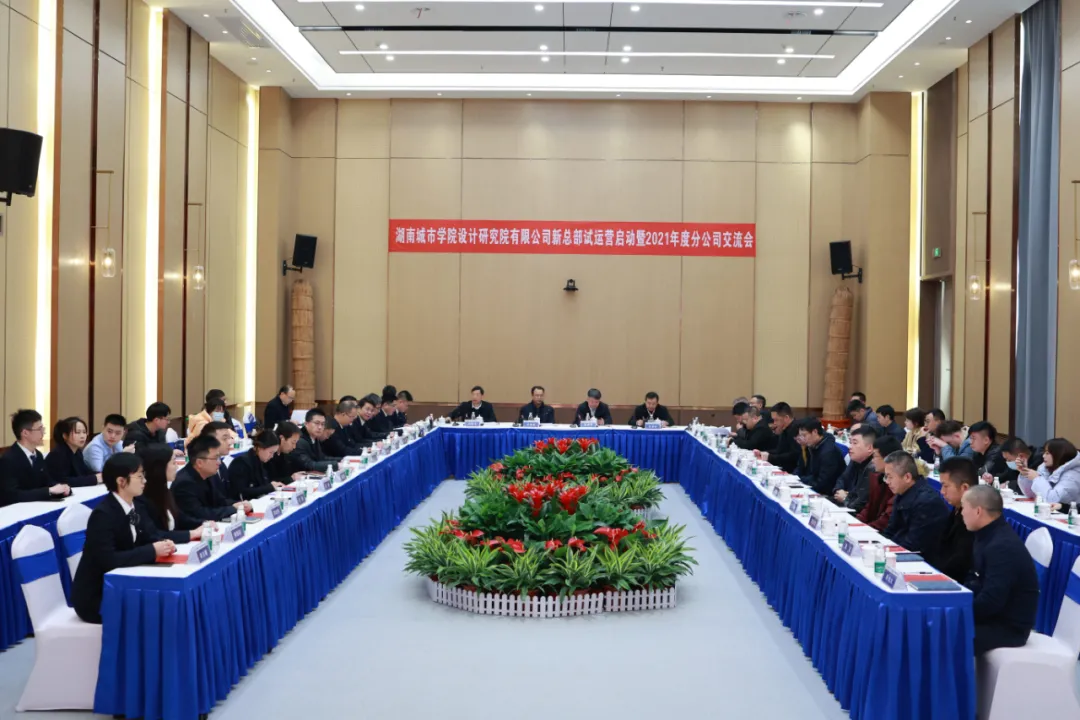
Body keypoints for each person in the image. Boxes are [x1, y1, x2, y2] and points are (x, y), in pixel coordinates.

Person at [72, 453, 180, 623]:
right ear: (121, 481)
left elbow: (150, 535)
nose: (144, 481)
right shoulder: (103, 515)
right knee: (157, 611)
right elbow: (109, 560)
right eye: (139, 476)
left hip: (124, 585)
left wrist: (163, 544)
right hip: (98, 596)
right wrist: (152, 550)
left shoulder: (136, 505)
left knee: (167, 604)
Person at [961, 485, 1040, 654]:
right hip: (992, 618)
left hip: (1008, 627)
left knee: (943, 633)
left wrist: (957, 612)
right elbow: (973, 578)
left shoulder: (1001, 547)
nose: (961, 513)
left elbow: (992, 601)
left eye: (964, 508)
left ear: (978, 511)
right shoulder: (985, 535)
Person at [881, 451, 950, 553]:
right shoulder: (902, 494)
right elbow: (890, 530)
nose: (887, 482)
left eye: (890, 477)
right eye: (886, 477)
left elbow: (913, 544)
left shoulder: (927, 502)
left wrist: (887, 550)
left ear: (907, 477)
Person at [0, 410, 73, 506]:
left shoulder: (38, 455)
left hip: (37, 506)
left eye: (43, 428)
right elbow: (12, 495)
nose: (44, 432)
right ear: (25, 433)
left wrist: (62, 488)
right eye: (39, 429)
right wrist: (48, 491)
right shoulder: (8, 459)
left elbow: (47, 481)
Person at [171, 435, 251, 521]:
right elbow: (200, 513)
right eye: (215, 458)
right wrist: (234, 509)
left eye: (219, 457)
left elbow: (220, 500)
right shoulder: (184, 483)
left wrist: (240, 505)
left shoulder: (208, 474)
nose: (219, 462)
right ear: (199, 462)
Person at [136, 443, 206, 540]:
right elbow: (154, 535)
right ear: (160, 467)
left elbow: (179, 517)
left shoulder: (163, 490)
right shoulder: (140, 498)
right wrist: (191, 534)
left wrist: (204, 523)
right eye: (173, 463)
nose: (176, 467)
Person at [928, 457, 977, 582]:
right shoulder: (957, 509)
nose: (942, 492)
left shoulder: (973, 519)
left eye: (946, 486)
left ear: (964, 488)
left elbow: (959, 563)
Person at [857, 436, 903, 530]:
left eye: (874, 456)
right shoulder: (877, 478)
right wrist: (855, 523)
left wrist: (862, 530)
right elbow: (868, 508)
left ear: (887, 458)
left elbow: (885, 521)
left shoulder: (898, 484)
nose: (872, 460)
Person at [228, 430, 287, 500]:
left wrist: (272, 485)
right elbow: (241, 492)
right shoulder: (241, 463)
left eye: (274, 453)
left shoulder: (262, 460)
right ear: (259, 448)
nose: (272, 456)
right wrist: (269, 487)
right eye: (270, 452)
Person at [44, 417, 102, 487]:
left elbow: (85, 471)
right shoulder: (57, 454)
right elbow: (63, 481)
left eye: (84, 432)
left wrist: (103, 475)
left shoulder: (77, 452)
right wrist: (94, 479)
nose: (82, 436)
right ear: (65, 435)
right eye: (78, 432)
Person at [795, 418, 846, 496]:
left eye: (804, 435)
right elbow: (813, 475)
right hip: (818, 487)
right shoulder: (814, 445)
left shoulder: (828, 452)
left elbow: (823, 482)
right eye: (801, 435)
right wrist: (798, 479)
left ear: (815, 432)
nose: (803, 439)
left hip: (830, 493)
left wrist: (801, 481)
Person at [832, 425, 877, 511]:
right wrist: (838, 490)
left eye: (855, 443)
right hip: (846, 504)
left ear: (869, 448)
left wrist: (846, 498)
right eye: (850, 442)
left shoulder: (873, 468)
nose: (850, 447)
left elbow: (861, 503)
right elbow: (842, 479)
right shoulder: (855, 460)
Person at [1027, 438, 1080, 504]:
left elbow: (1052, 500)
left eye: (1047, 453)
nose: (1043, 456)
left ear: (1059, 454)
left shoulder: (1072, 476)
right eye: (1044, 452)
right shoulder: (1046, 469)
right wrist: (1024, 473)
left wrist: (1037, 479)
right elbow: (1031, 494)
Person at [293, 408, 340, 473]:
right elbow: (308, 465)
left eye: (322, 424)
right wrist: (336, 465)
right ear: (306, 424)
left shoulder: (314, 437)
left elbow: (321, 458)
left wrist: (342, 460)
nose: (320, 427)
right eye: (317, 423)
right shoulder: (300, 440)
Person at [199, 421, 237, 500]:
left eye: (230, 438)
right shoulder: (202, 470)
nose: (230, 442)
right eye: (225, 439)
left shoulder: (222, 465)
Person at [757, 402, 800, 473]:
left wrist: (770, 457)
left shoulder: (796, 430)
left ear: (786, 418)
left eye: (776, 420)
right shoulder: (784, 429)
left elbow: (794, 456)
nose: (774, 423)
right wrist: (763, 453)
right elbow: (780, 450)